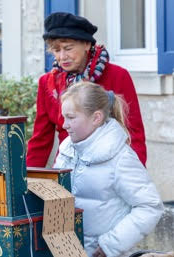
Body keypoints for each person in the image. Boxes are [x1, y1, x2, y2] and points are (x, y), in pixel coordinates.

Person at [53, 81, 163, 257]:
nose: (64, 124)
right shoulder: (67, 148)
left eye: (71, 117)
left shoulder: (121, 158)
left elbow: (150, 207)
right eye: (64, 117)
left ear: (96, 118)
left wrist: (110, 246)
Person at [26, 12, 147, 167]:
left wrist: (134, 173)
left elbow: (133, 133)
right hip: (67, 168)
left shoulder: (118, 76)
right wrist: (28, 181)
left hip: (109, 169)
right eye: (56, 50)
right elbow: (40, 140)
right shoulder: (47, 83)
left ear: (87, 44)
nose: (62, 56)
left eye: (68, 48)